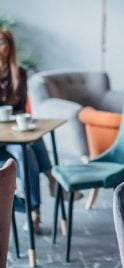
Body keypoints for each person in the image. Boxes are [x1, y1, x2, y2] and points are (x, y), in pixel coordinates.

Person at [0, 28, 81, 234]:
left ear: (10, 47)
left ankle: (34, 210)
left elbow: (21, 111)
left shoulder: (21, 74)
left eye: (2, 43)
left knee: (27, 150)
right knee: (29, 148)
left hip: (14, 136)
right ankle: (52, 183)